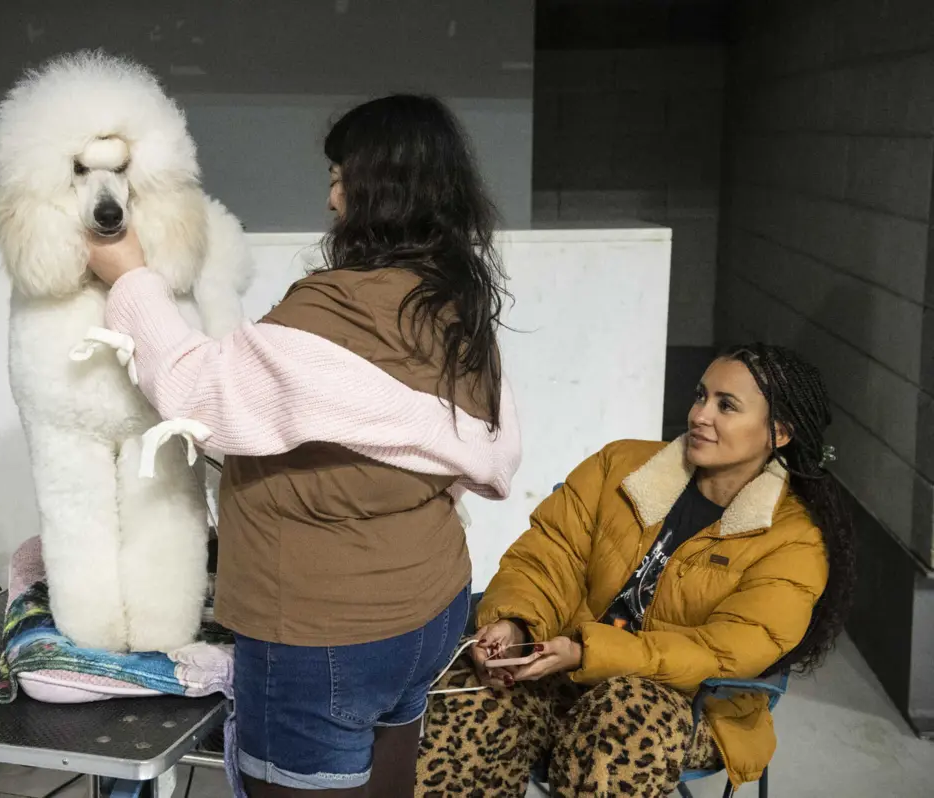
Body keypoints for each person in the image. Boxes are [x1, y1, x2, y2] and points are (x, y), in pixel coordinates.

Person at [87, 94, 521, 797]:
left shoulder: (331, 310)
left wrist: (129, 278)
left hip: (323, 636)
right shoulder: (455, 301)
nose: (331, 201)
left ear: (380, 191)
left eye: (342, 180)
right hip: (432, 608)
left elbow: (200, 395)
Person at [416, 344, 855, 797]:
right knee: (476, 690)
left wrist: (588, 651)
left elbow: (724, 652)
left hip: (689, 706)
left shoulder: (794, 540)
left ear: (778, 433)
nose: (701, 415)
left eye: (727, 406)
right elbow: (550, 556)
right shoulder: (622, 465)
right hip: (564, 666)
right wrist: (516, 623)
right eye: (701, 396)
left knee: (625, 713)